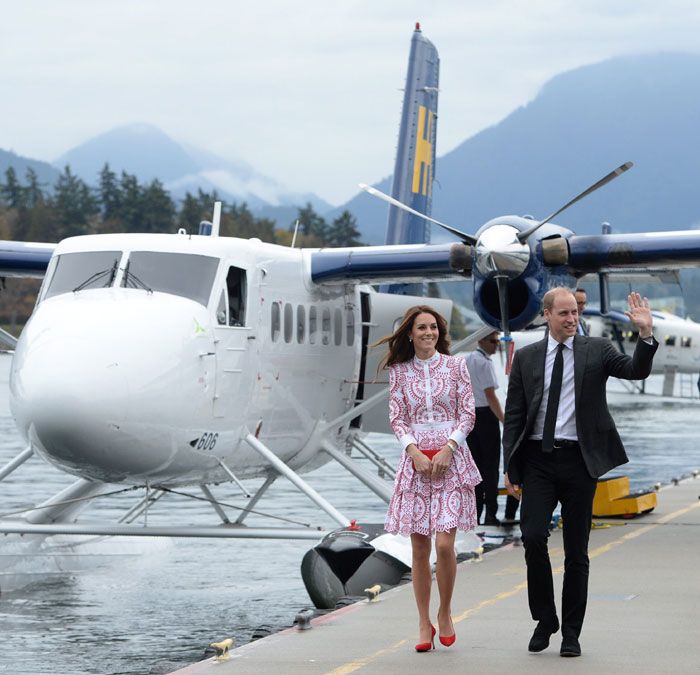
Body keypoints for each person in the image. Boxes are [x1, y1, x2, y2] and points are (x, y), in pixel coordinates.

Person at [503, 288, 657, 658]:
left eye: (575, 313)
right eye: (564, 314)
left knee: (577, 552)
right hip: (538, 460)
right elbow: (514, 416)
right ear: (547, 315)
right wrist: (510, 465)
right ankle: (545, 619)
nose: (572, 319)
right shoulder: (526, 357)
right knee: (534, 537)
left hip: (579, 462)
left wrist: (646, 335)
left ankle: (571, 632)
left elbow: (635, 371)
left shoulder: (597, 350)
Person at [378, 305, 481, 652]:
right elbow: (397, 418)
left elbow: (468, 413)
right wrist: (414, 452)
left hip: (451, 461)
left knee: (445, 545)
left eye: (433, 328)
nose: (428, 333)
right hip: (417, 464)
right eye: (421, 328)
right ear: (410, 333)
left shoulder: (456, 367)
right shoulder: (399, 372)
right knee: (420, 550)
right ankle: (424, 622)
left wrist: (451, 447)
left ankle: (446, 611)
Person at [465, 330, 504, 525]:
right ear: (481, 341)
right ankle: (491, 513)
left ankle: (475, 514)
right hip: (486, 416)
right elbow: (490, 395)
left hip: (470, 416)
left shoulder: (467, 359)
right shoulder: (485, 362)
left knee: (475, 467)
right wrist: (504, 419)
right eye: (493, 341)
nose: (496, 344)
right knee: (490, 467)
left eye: (497, 341)